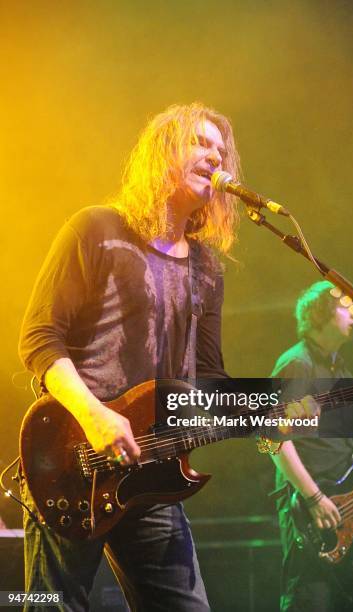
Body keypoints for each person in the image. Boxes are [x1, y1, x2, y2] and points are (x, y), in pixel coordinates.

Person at [18, 102, 242, 612]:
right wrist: (96, 417)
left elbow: (209, 378)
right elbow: (38, 337)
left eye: (221, 148)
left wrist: (265, 412)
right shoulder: (96, 229)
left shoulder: (207, 267)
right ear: (162, 153)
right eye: (200, 143)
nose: (216, 156)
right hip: (72, 460)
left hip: (152, 477)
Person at [269, 280, 353, 612]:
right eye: (346, 306)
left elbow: (335, 445)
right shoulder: (298, 364)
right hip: (310, 508)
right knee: (310, 601)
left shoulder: (338, 368)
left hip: (349, 506)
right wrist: (313, 497)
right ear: (321, 312)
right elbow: (273, 439)